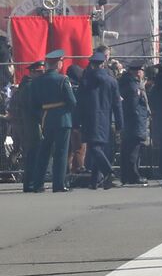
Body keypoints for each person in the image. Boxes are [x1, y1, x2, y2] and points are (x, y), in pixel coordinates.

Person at [23, 50, 78, 192]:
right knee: (61, 153)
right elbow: (72, 101)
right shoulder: (63, 79)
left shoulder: (36, 82)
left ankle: (38, 184)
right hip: (63, 119)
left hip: (46, 119)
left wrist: (43, 115)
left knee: (44, 152)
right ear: (59, 63)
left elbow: (33, 105)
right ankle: (58, 184)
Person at [78, 49, 123, 190]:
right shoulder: (112, 81)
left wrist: (76, 121)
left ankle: (108, 172)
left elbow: (79, 103)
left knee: (94, 148)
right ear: (103, 64)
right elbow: (117, 104)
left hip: (89, 119)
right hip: (105, 119)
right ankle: (95, 181)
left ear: (92, 65)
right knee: (98, 147)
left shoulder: (85, 81)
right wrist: (120, 123)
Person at [119, 65, 151, 185]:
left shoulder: (125, 82)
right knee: (133, 150)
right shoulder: (133, 86)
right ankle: (133, 175)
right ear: (138, 72)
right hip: (135, 122)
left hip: (130, 122)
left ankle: (126, 175)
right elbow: (133, 106)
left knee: (128, 149)